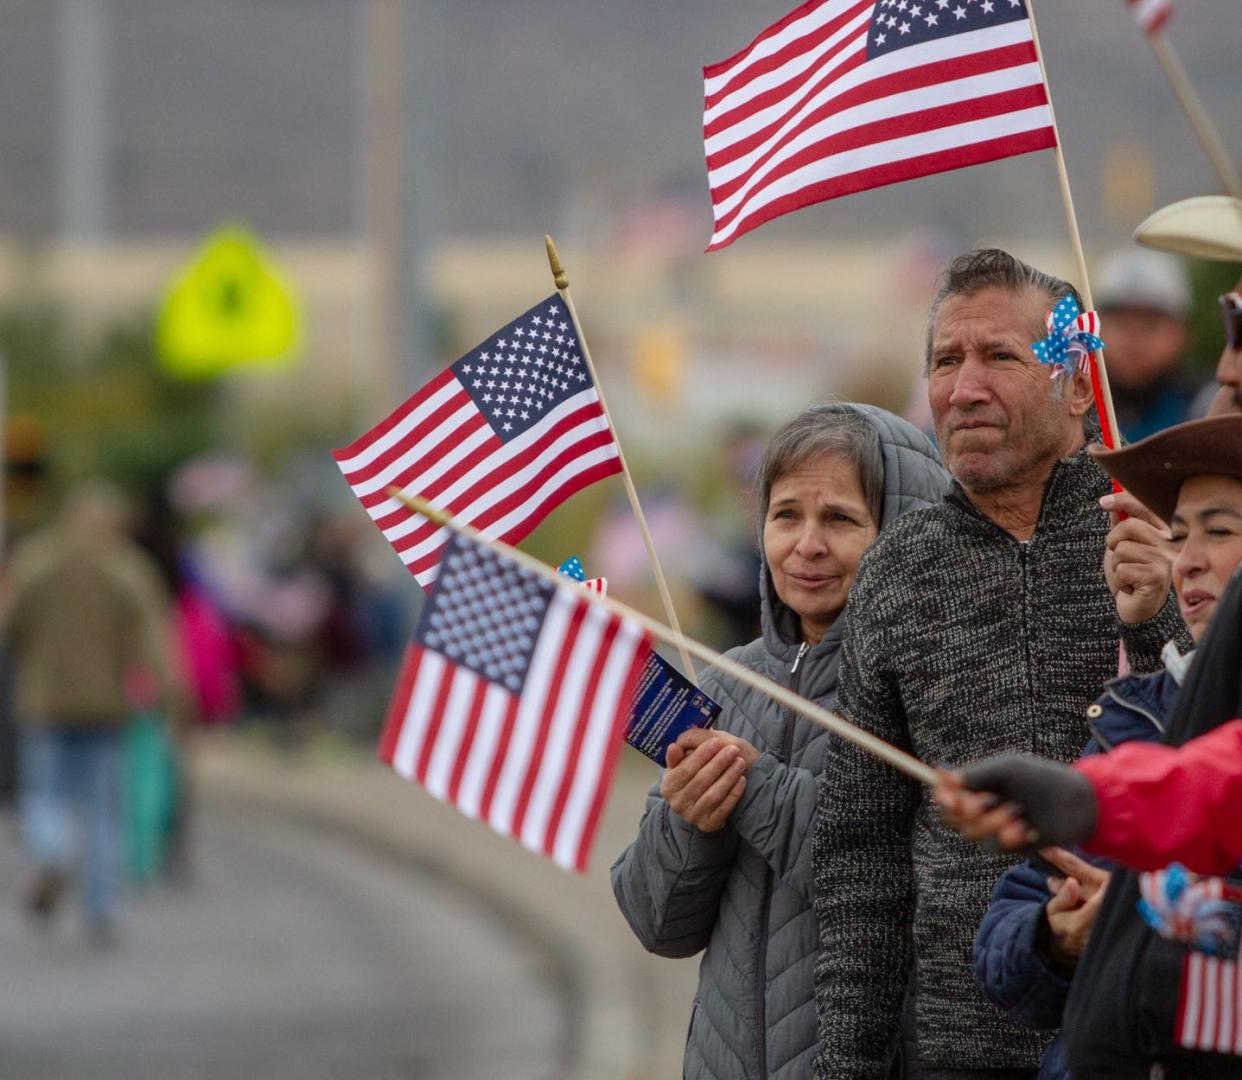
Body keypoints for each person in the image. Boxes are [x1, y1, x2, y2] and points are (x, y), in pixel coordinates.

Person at [811, 248, 1189, 1080]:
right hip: (953, 1052)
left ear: (1078, 385)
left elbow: (1212, 746)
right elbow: (860, 849)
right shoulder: (897, 568)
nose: (963, 388)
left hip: (1139, 1037)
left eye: (999, 358)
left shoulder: (1166, 531)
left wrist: (1163, 602)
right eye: (945, 360)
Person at [612, 403, 948, 1080]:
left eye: (841, 519)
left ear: (903, 532)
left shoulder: (931, 682)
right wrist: (690, 821)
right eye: (786, 515)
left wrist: (755, 787)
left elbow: (896, 880)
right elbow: (658, 924)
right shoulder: (727, 685)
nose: (807, 545)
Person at [968, 412, 1242, 1078]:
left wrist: (1153, 923)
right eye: (1180, 534)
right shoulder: (1132, 719)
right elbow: (1003, 936)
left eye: (1222, 531)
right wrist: (1059, 938)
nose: (1192, 558)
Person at [0, 481, 180, 943]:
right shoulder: (128, 569)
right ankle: (99, 907)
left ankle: (53, 851)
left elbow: (10, 626)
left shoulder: (36, 562)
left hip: (45, 700)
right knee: (102, 809)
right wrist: (168, 694)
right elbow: (152, 642)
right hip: (105, 704)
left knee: (43, 794)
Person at [1092, 249, 1200, 442]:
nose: (1134, 339)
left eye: (1150, 325)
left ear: (1183, 334)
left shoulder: (1208, 411)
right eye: (1121, 323)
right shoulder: (1068, 416)